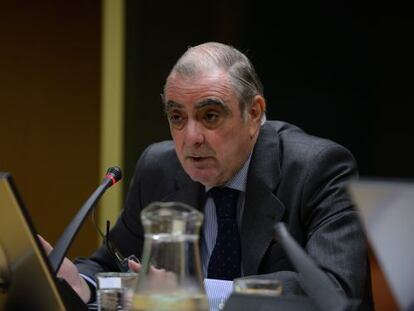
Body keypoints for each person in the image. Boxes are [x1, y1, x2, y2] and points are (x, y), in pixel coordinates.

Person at [41, 42, 372, 308]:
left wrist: (199, 292)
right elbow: (115, 267)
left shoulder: (318, 168)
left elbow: (334, 290)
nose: (191, 137)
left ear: (254, 114)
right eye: (177, 117)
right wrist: (79, 283)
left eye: (210, 115)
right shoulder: (159, 167)